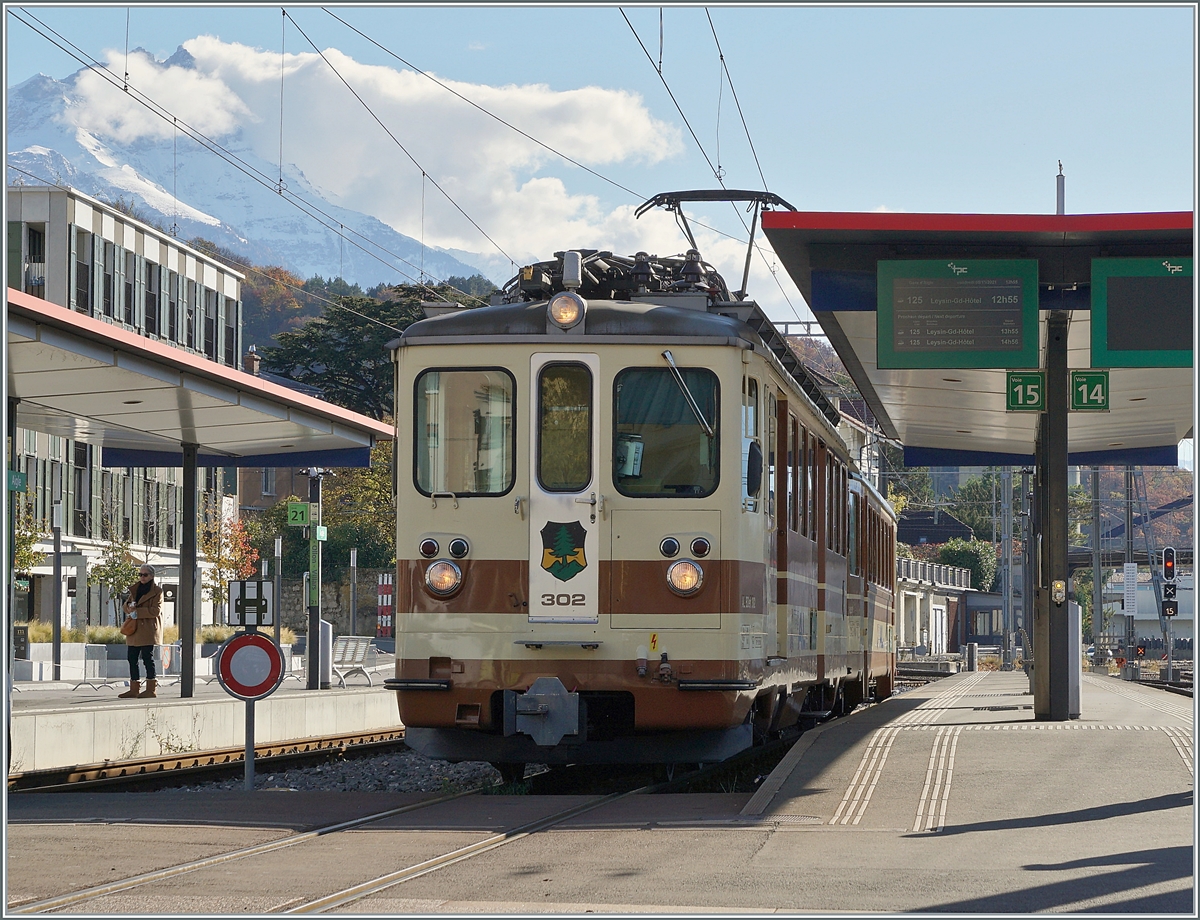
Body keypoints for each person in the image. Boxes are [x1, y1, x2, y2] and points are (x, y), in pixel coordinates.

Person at [119, 565, 163, 699]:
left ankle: (151, 689)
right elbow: (125, 606)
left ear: (151, 576)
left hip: (148, 629)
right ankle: (134, 688)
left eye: (145, 575)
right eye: (140, 574)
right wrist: (129, 607)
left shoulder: (157, 591)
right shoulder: (135, 589)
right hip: (134, 628)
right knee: (131, 658)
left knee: (147, 658)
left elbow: (156, 610)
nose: (142, 577)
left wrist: (138, 612)